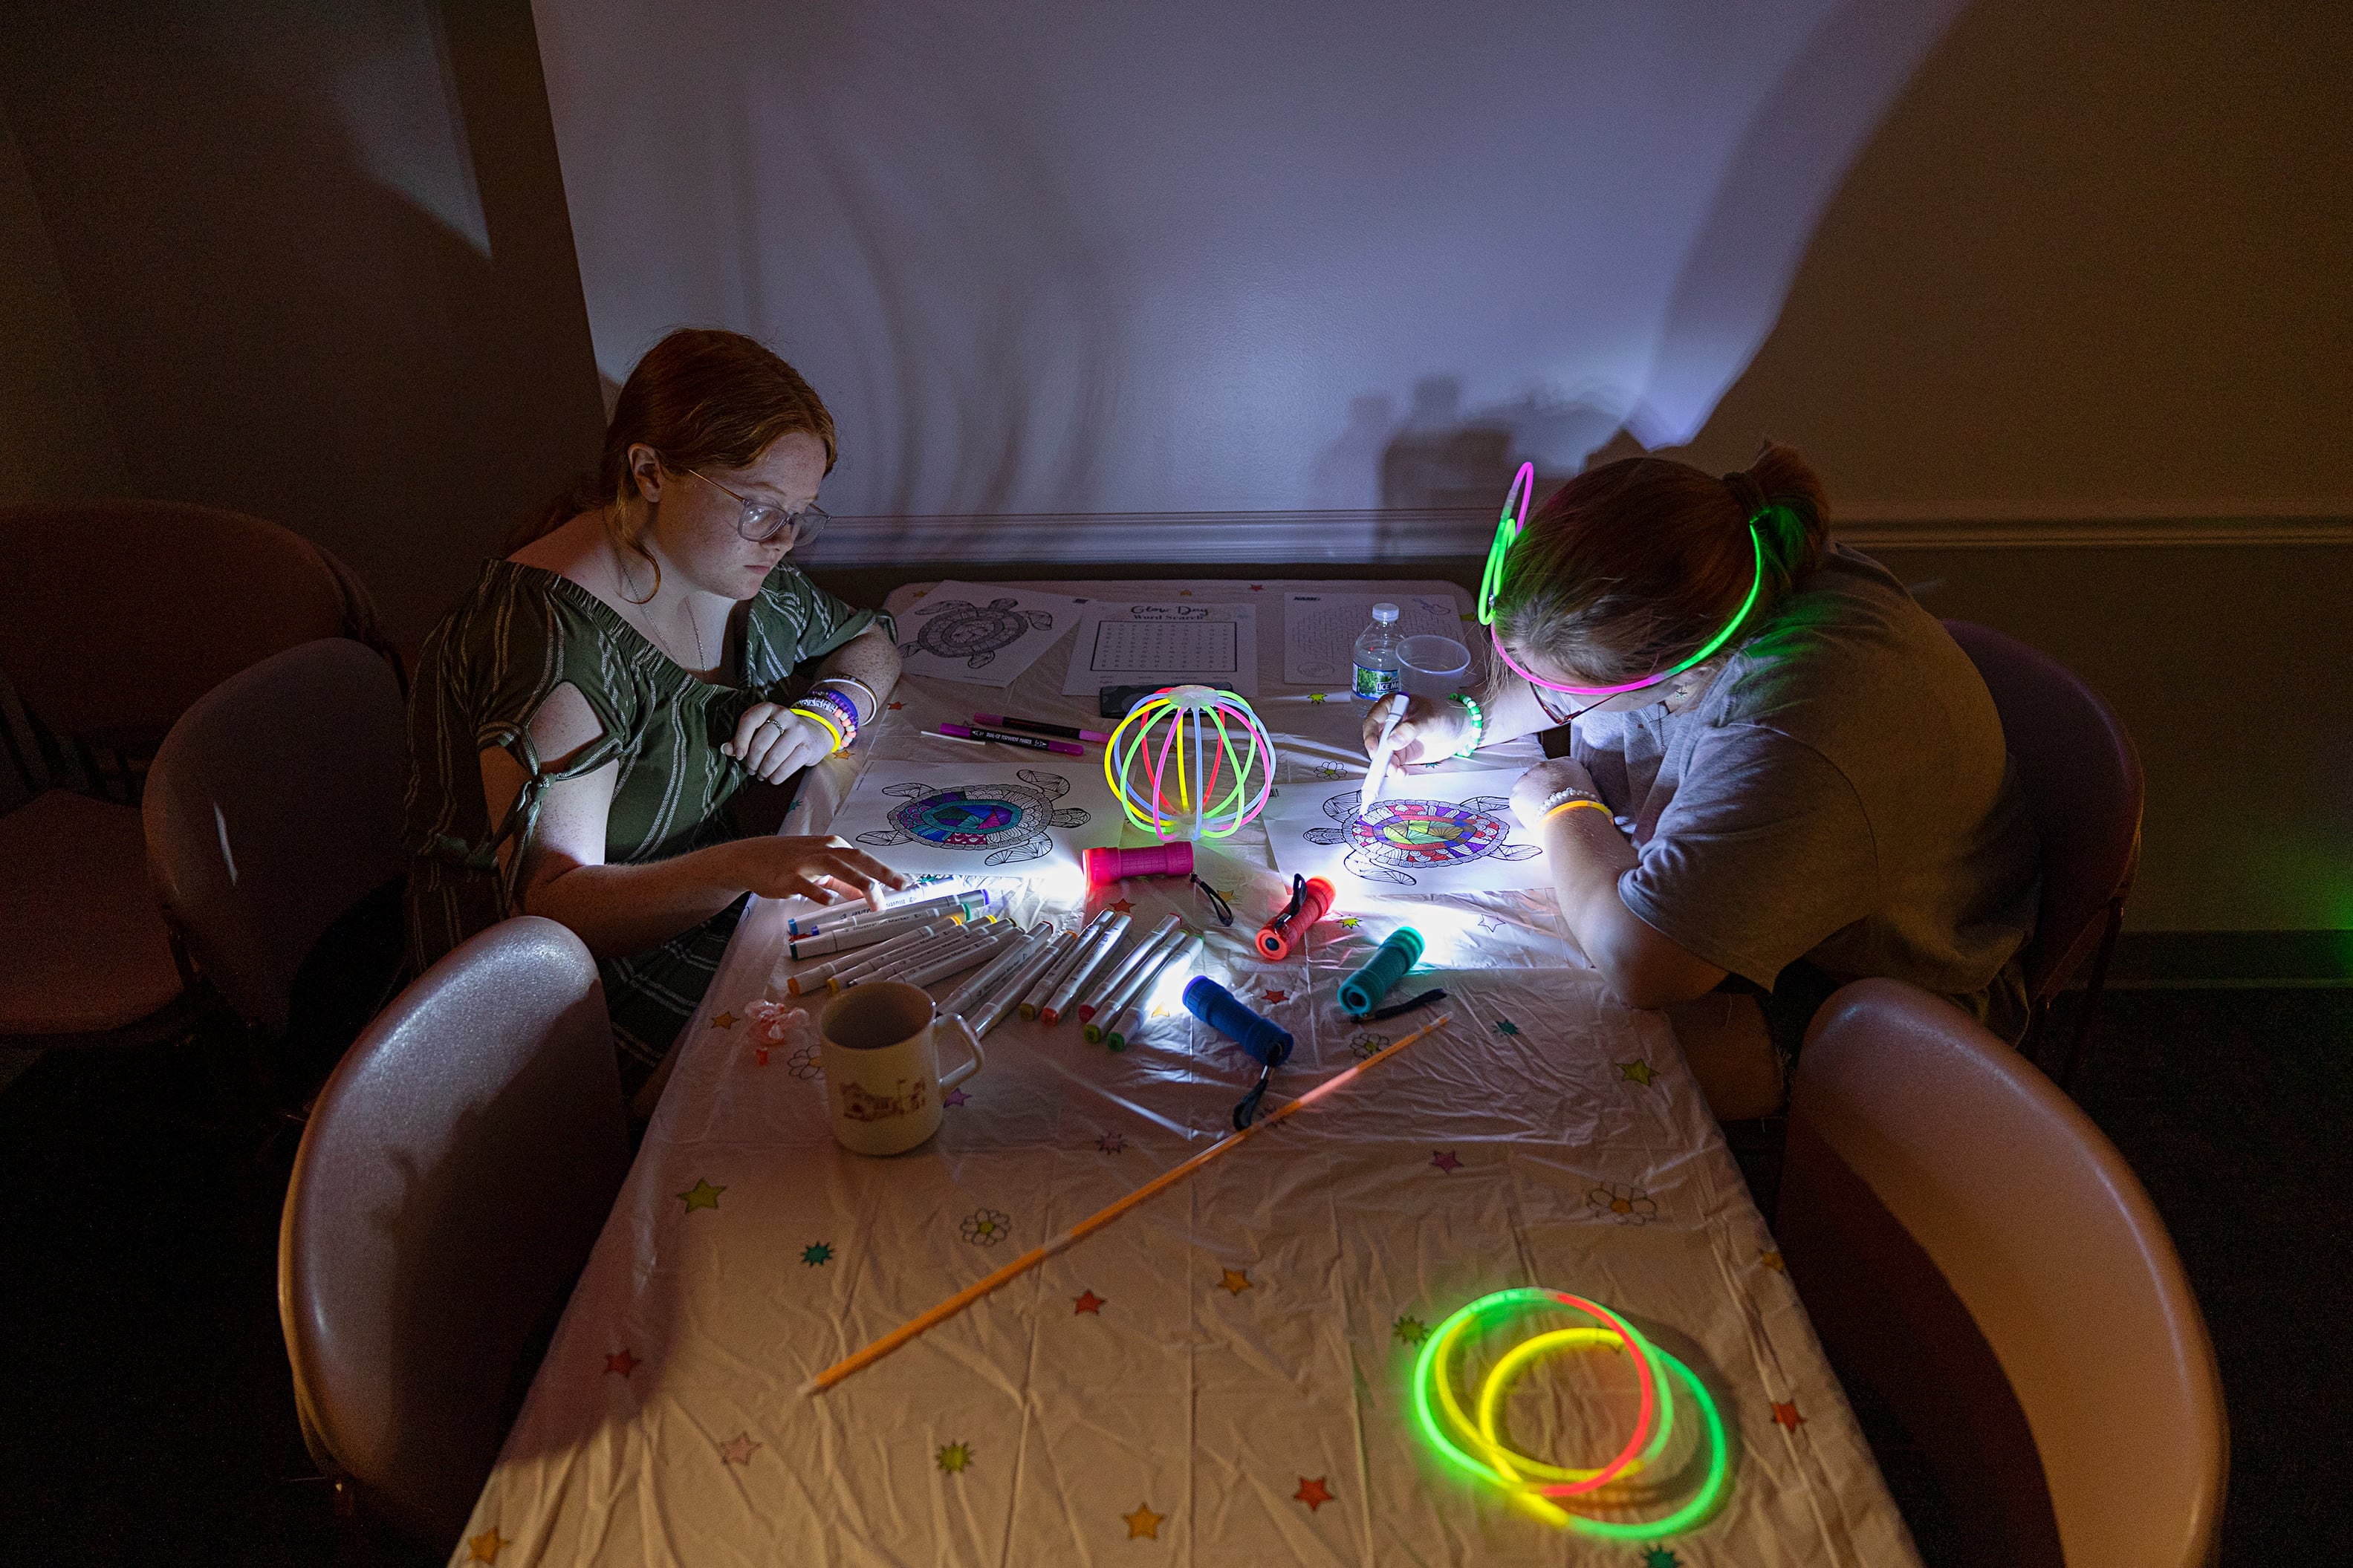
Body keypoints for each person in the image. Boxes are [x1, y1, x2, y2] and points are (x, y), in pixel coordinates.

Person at [1367, 445, 2039, 1119]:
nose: (1550, 703)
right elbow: (1578, 670)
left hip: (1879, 1006)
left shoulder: (1791, 727)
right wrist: (1464, 722)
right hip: (1757, 915)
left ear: (1674, 671)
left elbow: (1643, 964)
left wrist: (1561, 803)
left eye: (1570, 697)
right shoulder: (1722, 573)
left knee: (1529, 1060)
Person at [403, 328, 911, 1113]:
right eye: (760, 509)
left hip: (685, 913)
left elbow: (869, 640)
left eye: (799, 515)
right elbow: (554, 905)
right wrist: (744, 865)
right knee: (823, 1090)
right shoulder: (556, 642)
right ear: (649, 472)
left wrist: (828, 712)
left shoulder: (709, 562)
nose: (781, 541)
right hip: (550, 994)